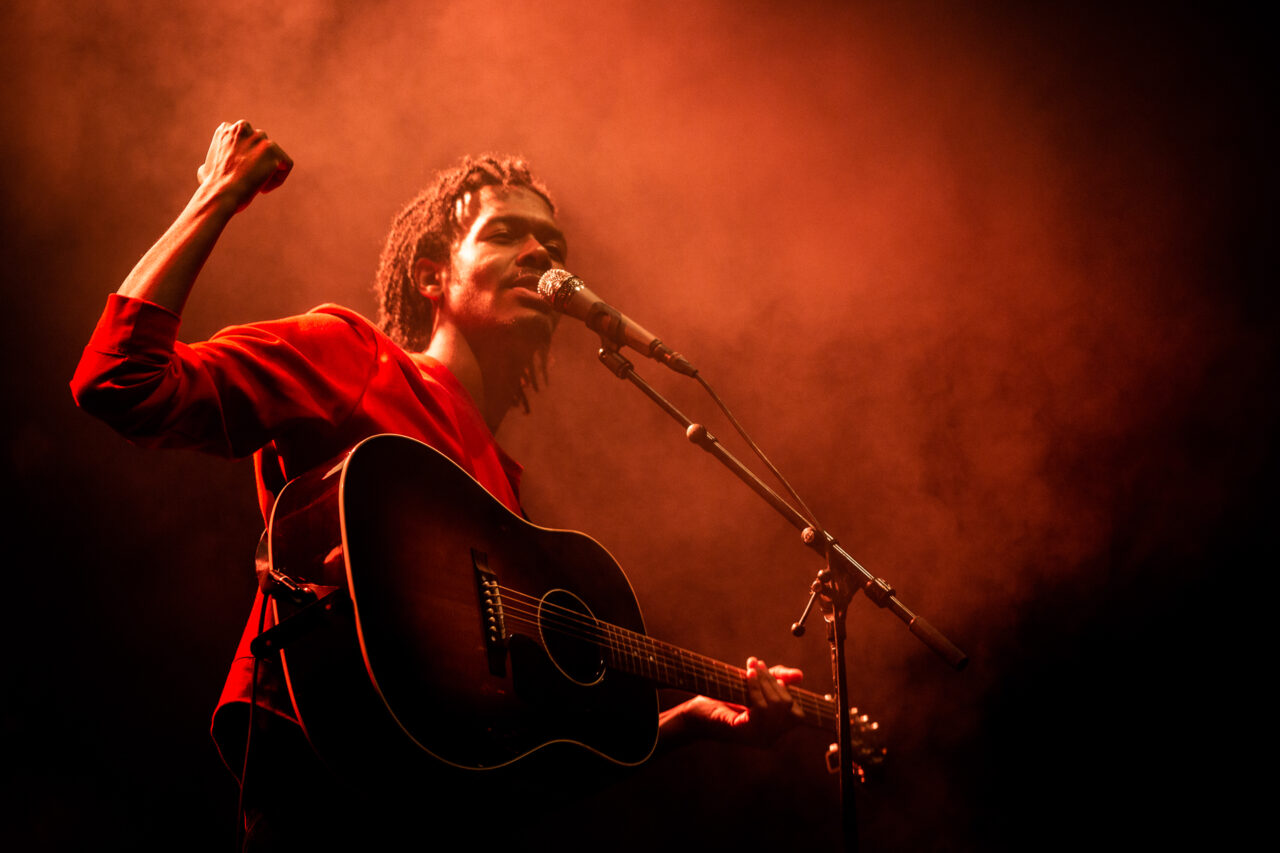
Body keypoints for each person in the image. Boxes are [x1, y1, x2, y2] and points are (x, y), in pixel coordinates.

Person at [71, 121, 803, 849]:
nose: (541, 255)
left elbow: (509, 768)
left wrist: (687, 722)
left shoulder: (502, 498)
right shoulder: (354, 358)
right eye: (505, 234)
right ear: (431, 277)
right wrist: (218, 193)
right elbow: (121, 380)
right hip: (320, 800)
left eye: (553, 246)